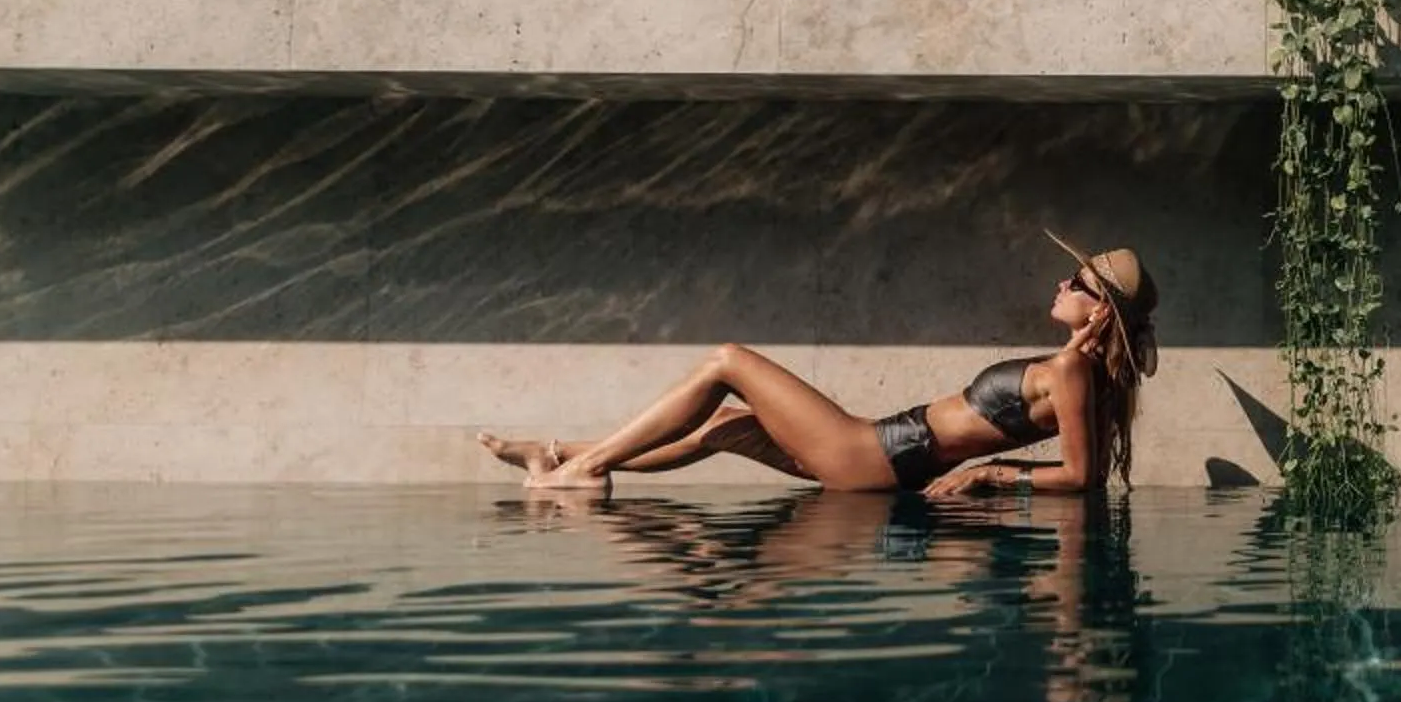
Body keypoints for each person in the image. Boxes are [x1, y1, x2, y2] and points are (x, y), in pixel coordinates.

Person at [478, 234, 1155, 498]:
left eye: (1079, 282)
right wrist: (1078, 346)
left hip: (875, 454)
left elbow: (1081, 476)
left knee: (728, 360)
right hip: (878, 449)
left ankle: (578, 472)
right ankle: (557, 452)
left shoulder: (1070, 375)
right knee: (724, 426)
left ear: (1099, 312)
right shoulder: (1069, 368)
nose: (1064, 285)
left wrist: (988, 476)